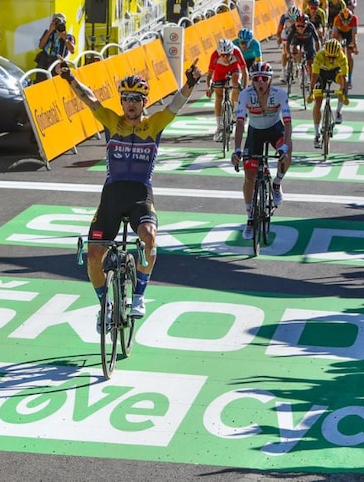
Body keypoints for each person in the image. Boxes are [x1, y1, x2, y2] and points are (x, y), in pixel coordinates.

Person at [56, 61, 203, 328]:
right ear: (121, 102)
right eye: (126, 99)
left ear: (144, 101)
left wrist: (190, 83)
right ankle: (104, 304)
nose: (131, 104)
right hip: (112, 195)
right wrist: (70, 78)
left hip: (140, 194)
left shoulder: (154, 123)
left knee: (149, 237)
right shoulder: (111, 121)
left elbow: (175, 105)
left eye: (136, 98)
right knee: (93, 254)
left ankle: (138, 297)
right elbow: (89, 99)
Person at [230, 61, 293, 239]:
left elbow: (288, 123)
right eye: (256, 79)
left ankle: (277, 183)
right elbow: (240, 122)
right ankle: (250, 216)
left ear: (269, 80)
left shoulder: (279, 94)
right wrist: (236, 149)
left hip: (275, 129)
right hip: (255, 132)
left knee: (288, 151)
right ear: (252, 81)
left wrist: (285, 146)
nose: (260, 82)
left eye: (264, 79)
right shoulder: (245, 95)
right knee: (249, 176)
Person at [310, 38, 351, 146]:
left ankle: (339, 111)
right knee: (318, 101)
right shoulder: (320, 55)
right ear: (325, 53)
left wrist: (344, 93)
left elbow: (345, 77)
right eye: (329, 57)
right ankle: (317, 134)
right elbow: (314, 76)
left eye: (334, 57)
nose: (332, 59)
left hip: (335, 72)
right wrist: (310, 92)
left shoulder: (342, 56)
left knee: (342, 83)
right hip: (321, 73)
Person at [206, 38, 247, 141]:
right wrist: (208, 88)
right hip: (220, 71)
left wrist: (245, 89)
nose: (225, 57)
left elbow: (245, 72)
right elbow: (209, 75)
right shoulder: (214, 55)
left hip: (234, 68)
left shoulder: (237, 51)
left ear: (231, 52)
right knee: (219, 96)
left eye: (228, 54)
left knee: (236, 83)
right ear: (219, 53)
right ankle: (219, 126)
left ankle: (235, 110)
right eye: (222, 55)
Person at [285, 12, 321, 86]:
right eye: (298, 25)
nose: (300, 28)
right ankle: (296, 65)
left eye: (302, 26)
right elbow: (287, 44)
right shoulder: (293, 29)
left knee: (310, 63)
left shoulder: (311, 27)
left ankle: (312, 82)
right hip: (297, 40)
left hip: (308, 41)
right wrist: (289, 54)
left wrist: (318, 52)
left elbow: (317, 41)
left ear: (307, 24)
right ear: (295, 24)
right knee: (295, 49)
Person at [331, 1, 359, 87]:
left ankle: (349, 77)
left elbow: (354, 34)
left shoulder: (354, 19)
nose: (346, 22)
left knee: (349, 56)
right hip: (340, 33)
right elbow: (334, 36)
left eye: (348, 21)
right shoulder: (337, 19)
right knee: (340, 47)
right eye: (344, 20)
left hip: (349, 34)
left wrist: (354, 47)